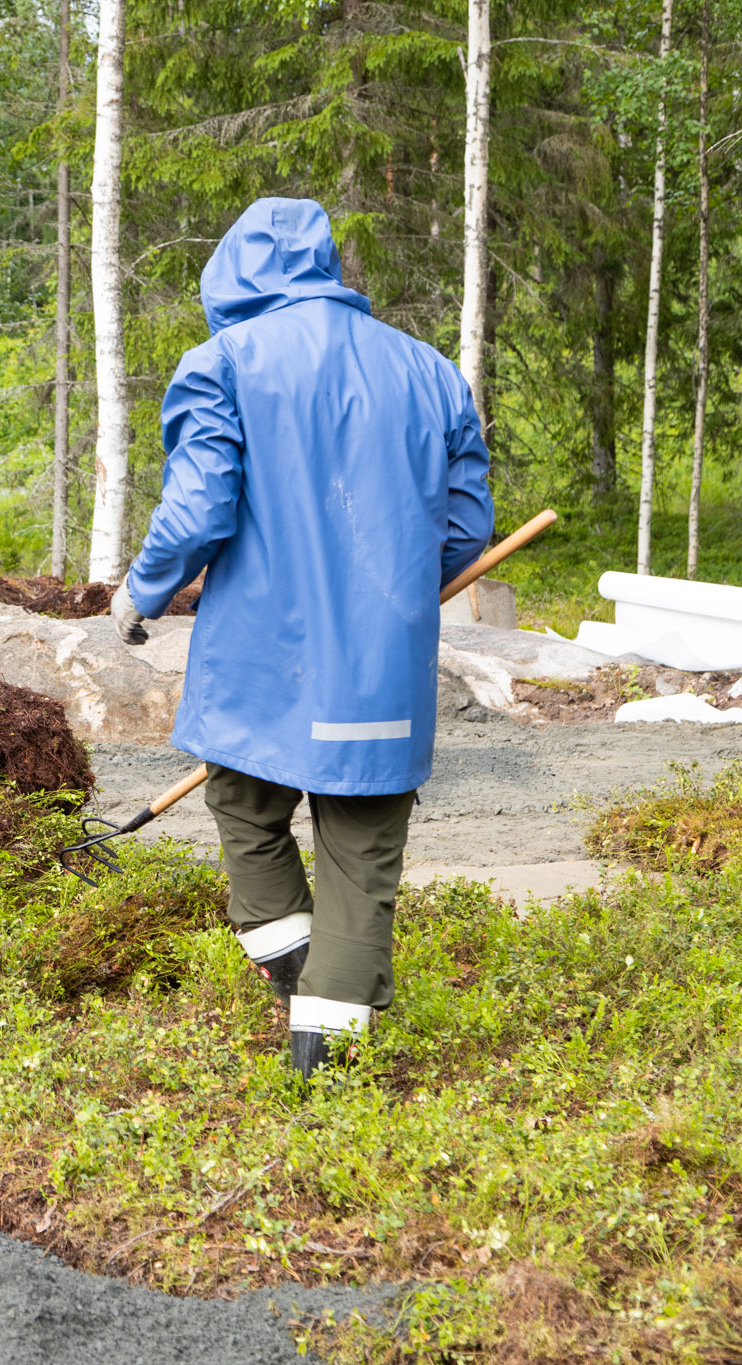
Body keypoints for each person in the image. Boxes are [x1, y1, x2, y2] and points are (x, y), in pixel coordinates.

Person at [109, 198, 494, 1079]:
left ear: (232, 275)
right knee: (362, 862)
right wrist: (389, 593)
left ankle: (289, 972)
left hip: (260, 667)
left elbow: (200, 507)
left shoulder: (223, 365)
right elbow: (467, 528)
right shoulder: (432, 373)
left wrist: (143, 591)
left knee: (245, 810)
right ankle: (325, 1061)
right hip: (380, 674)